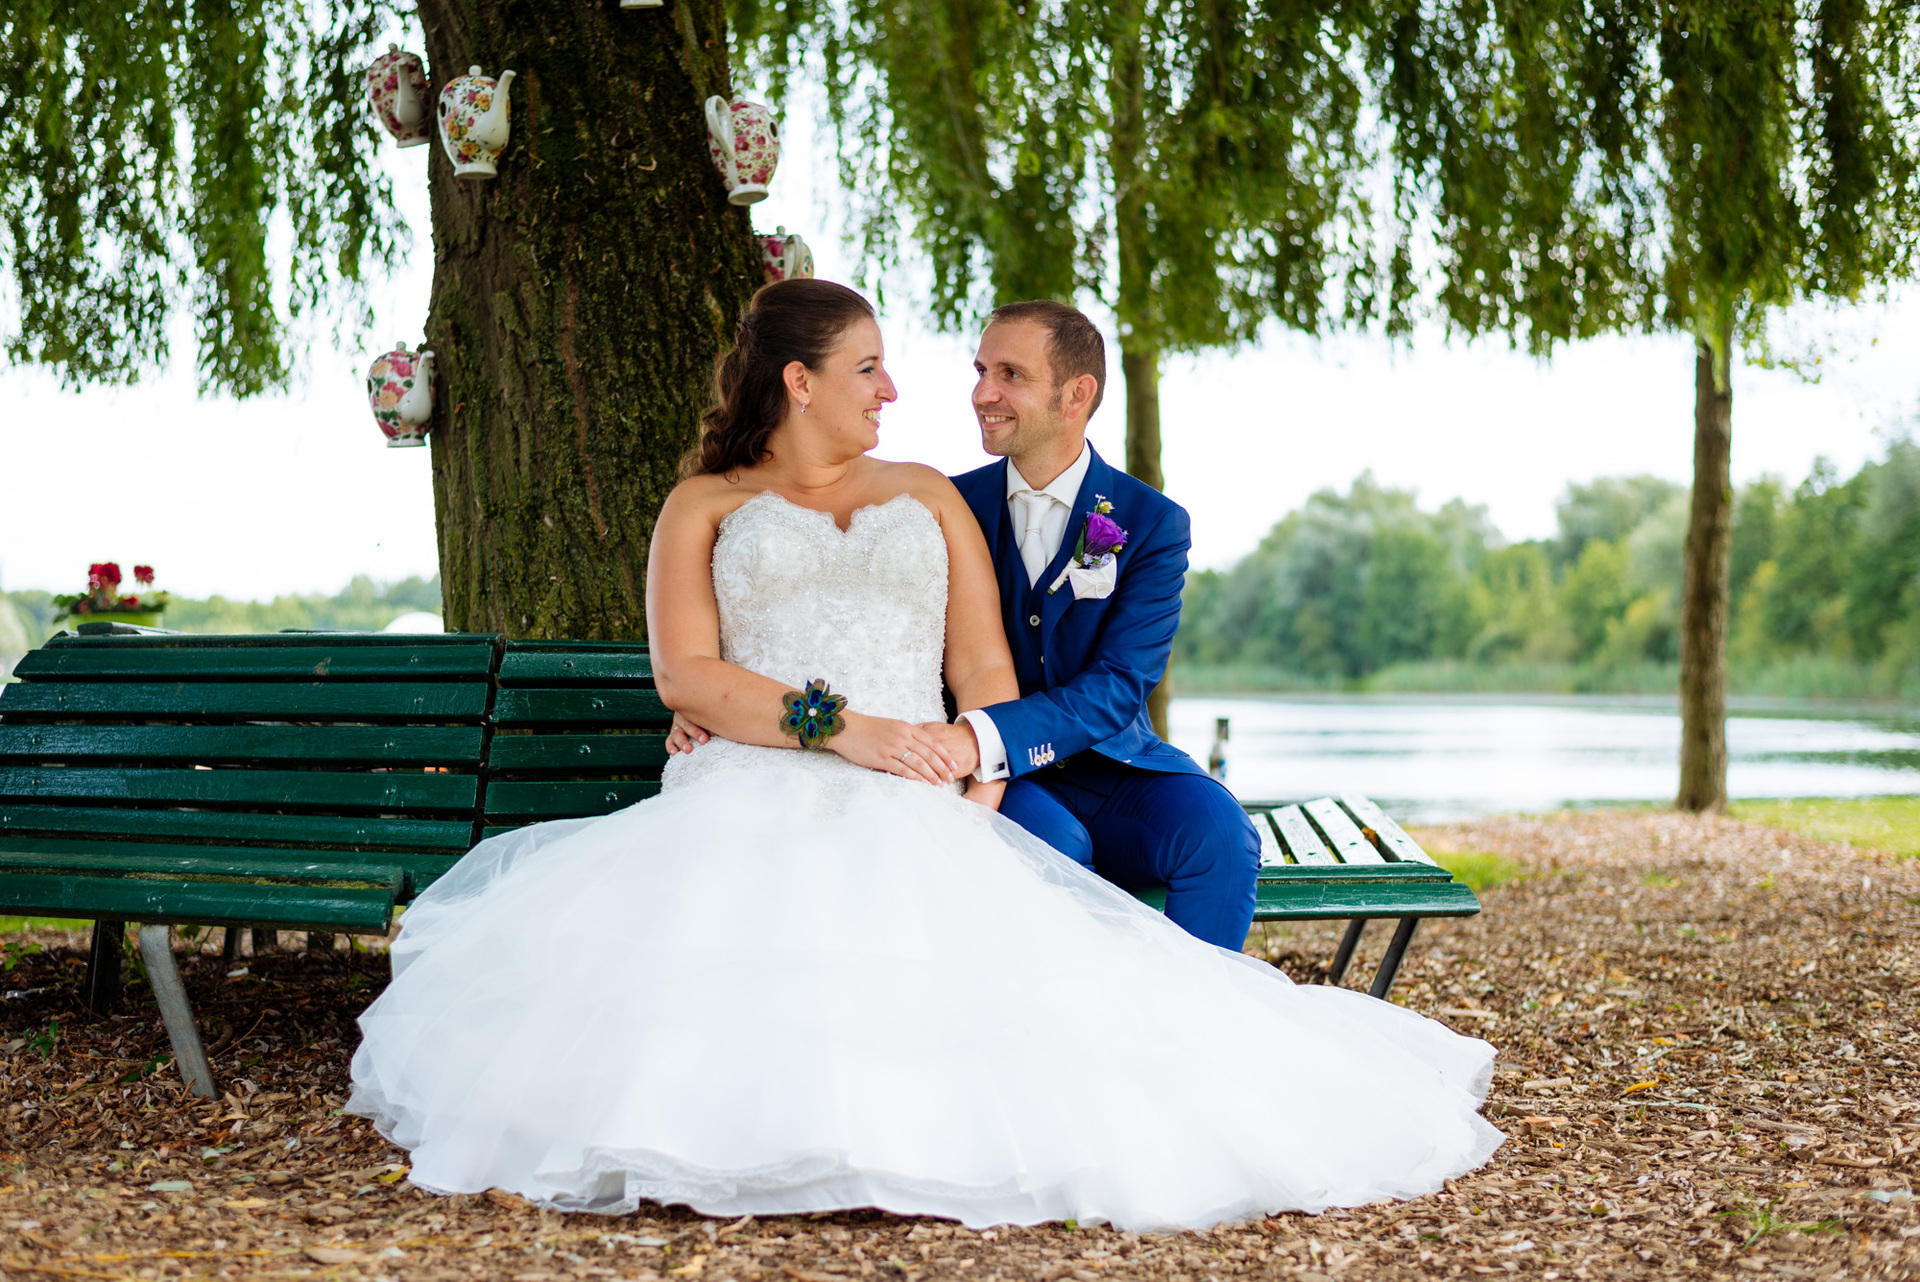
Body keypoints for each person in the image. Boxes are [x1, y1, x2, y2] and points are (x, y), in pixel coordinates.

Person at [347, 279, 1501, 1230]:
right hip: (755, 776)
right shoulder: (701, 503)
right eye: (869, 367)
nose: (904, 389)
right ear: (799, 382)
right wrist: (830, 727)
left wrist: (980, 774)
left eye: (979, 373)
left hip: (943, 769)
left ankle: (1157, 1066)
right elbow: (689, 676)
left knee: (1123, 858)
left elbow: (988, 672)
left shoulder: (931, 499)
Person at [671, 300, 1260, 950]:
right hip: (962, 765)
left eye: (1009, 374)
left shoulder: (1149, 522)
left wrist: (981, 742)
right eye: (980, 371)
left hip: (1106, 760)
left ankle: (1195, 1029)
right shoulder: (939, 502)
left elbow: (1122, 682)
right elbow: (852, 617)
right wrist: (723, 698)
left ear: (1076, 394)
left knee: (1222, 835)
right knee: (1048, 844)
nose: (982, 393)